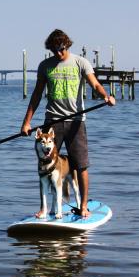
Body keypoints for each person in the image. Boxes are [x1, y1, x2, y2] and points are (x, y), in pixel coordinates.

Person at [20, 29, 115, 218]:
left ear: (67, 45)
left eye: (61, 49)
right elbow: (37, 95)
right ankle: (44, 208)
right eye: (54, 50)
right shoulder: (45, 66)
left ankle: (84, 205)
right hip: (53, 121)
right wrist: (26, 123)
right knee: (45, 164)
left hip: (76, 121)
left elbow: (95, 84)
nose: (58, 53)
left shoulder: (81, 62)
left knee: (81, 165)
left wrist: (106, 96)